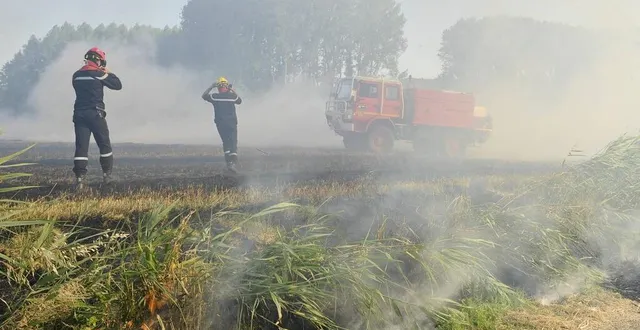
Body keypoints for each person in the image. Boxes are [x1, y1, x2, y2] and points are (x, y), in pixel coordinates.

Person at [71, 47, 122, 189]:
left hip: (79, 115)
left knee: (81, 147)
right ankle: (107, 176)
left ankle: (80, 179)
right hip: (95, 114)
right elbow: (118, 85)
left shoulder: (76, 75)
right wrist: (108, 73)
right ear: (98, 60)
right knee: (104, 144)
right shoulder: (99, 74)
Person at [201, 76, 243, 173]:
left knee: (226, 143)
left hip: (220, 124)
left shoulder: (215, 97)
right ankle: (233, 163)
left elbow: (204, 96)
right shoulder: (232, 97)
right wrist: (232, 90)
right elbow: (240, 101)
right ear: (226, 86)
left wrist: (211, 87)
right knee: (232, 142)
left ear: (218, 87)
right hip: (231, 123)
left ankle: (228, 163)